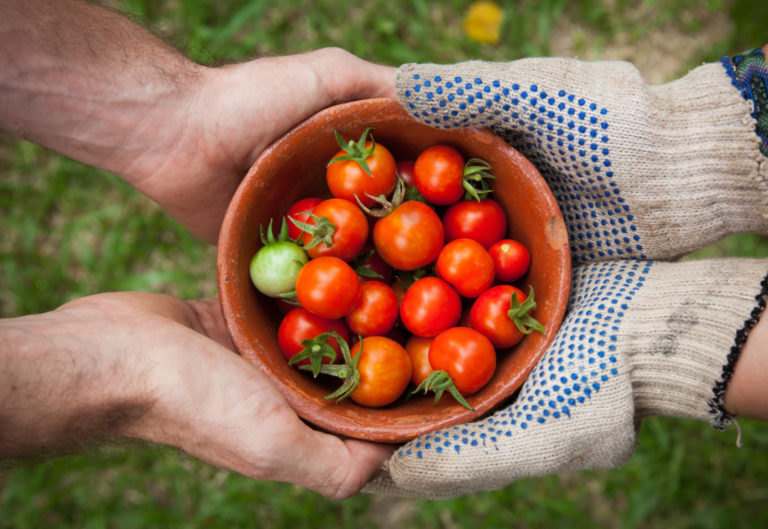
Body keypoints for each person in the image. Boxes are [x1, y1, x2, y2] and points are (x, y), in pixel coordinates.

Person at [2, 0, 767, 500]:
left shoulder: (372, 233)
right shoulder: (366, 281)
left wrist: (719, 139)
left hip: (445, 295)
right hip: (438, 307)